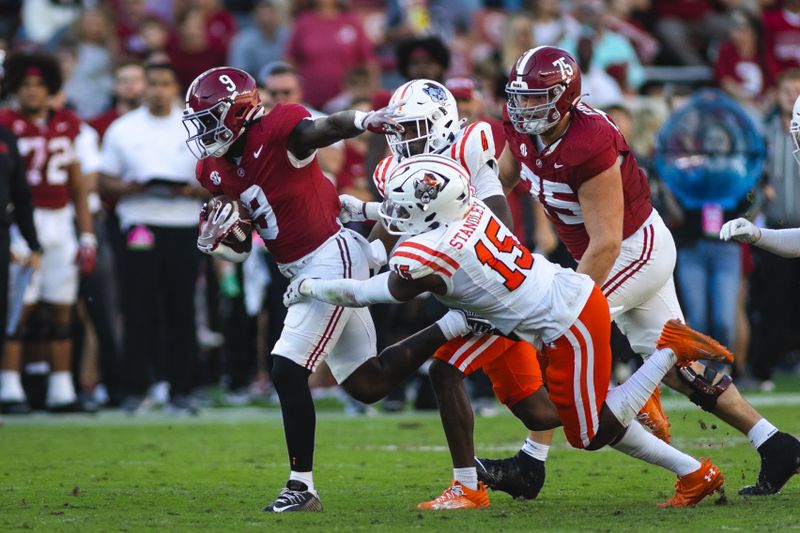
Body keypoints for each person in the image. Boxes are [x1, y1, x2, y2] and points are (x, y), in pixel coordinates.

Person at [287, 153, 731, 509]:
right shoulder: (469, 209)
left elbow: (366, 293)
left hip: (566, 323)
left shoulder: (425, 253)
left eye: (404, 208)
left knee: (589, 434)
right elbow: (417, 223)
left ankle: (667, 356)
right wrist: (360, 207)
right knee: (497, 394)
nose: (395, 215)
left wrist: (310, 285)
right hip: (536, 308)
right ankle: (691, 469)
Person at [492, 45, 800, 497]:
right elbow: (503, 179)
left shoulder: (589, 140)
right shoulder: (520, 128)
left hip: (634, 250)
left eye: (538, 98)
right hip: (615, 251)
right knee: (684, 374)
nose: (525, 108)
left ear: (566, 95)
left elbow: (607, 241)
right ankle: (775, 444)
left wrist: (569, 304)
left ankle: (531, 461)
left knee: (556, 331)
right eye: (520, 97)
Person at [183, 66, 480, 512]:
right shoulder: (213, 169)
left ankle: (301, 487)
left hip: (330, 254)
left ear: (238, 113)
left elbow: (326, 128)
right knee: (367, 384)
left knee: (286, 368)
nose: (204, 132)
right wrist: (228, 238)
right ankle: (455, 323)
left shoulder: (280, 129)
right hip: (297, 266)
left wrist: (367, 120)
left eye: (210, 119)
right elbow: (245, 243)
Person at [347, 79, 557, 503]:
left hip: (496, 292)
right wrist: (357, 251)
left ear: (440, 123)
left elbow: (500, 225)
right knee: (539, 409)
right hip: (467, 295)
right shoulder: (394, 169)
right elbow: (385, 233)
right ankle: (618, 406)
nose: (402, 137)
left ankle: (467, 486)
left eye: (412, 127)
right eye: (399, 128)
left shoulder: (471, 144)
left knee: (444, 372)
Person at [99, 62, 207, 414]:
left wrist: (191, 191)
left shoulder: (194, 127)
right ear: (143, 88)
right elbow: (103, 179)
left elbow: (213, 179)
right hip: (140, 222)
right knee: (138, 306)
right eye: (153, 84)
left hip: (183, 223)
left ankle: (182, 388)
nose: (158, 90)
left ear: (175, 88)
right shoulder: (123, 129)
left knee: (182, 308)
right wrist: (130, 186)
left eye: (165, 83)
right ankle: (134, 387)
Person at [0, 52, 96, 413]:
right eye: (26, 86)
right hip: (21, 220)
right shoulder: (6, 123)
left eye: (40, 86)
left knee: (61, 307)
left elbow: (78, 187)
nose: (33, 93)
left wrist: (87, 236)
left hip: (60, 221)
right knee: (17, 308)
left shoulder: (69, 124)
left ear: (52, 89)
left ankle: (61, 390)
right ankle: (9, 387)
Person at [0, 123, 41, 413]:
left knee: (3, 315)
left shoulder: (5, 137)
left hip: (2, 232)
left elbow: (20, 194)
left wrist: (31, 242)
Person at [227, 0, 287, 78]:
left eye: (271, 14)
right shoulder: (242, 40)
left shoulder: (287, 35)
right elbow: (238, 73)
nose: (267, 20)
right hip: (254, 85)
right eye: (263, 15)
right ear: (254, 17)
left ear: (278, 16)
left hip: (283, 81)